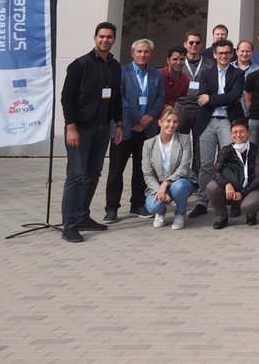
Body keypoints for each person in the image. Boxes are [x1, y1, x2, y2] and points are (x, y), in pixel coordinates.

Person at [60, 22, 123, 242]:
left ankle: (82, 216)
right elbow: (67, 97)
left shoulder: (115, 67)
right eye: (102, 37)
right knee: (76, 176)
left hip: (102, 127)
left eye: (109, 37)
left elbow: (116, 99)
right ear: (95, 38)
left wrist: (119, 124)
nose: (105, 40)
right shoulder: (80, 65)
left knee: (93, 174)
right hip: (80, 128)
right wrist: (71, 126)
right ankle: (68, 224)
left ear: (114, 39)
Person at [104, 38, 164, 223]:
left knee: (141, 169)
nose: (142, 55)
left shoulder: (156, 75)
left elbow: (160, 99)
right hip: (125, 128)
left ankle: (137, 204)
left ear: (150, 54)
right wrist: (139, 117)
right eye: (139, 52)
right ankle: (112, 208)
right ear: (132, 54)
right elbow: (120, 99)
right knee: (116, 170)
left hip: (147, 130)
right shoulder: (122, 73)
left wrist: (148, 119)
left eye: (146, 52)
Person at [190, 40, 244, 218]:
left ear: (232, 54)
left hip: (228, 123)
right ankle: (201, 202)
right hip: (208, 122)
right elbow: (201, 97)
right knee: (205, 165)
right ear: (214, 55)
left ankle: (234, 200)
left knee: (232, 163)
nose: (223, 56)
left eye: (227, 53)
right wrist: (223, 98)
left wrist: (211, 99)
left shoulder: (238, 74)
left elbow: (234, 96)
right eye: (220, 53)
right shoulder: (206, 74)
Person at [140, 106, 193, 230]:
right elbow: (148, 173)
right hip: (157, 185)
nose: (171, 125)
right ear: (160, 122)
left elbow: (184, 168)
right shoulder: (148, 144)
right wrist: (159, 189)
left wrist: (166, 183)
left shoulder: (184, 140)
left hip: (179, 181)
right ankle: (160, 212)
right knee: (152, 206)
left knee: (179, 187)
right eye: (168, 121)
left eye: (175, 121)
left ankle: (180, 214)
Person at [206, 117, 259, 228]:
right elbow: (215, 171)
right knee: (211, 187)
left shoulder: (256, 150)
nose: (238, 135)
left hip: (251, 188)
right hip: (231, 188)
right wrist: (226, 184)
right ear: (231, 134)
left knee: (250, 204)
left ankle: (251, 215)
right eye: (235, 132)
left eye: (242, 131)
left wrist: (242, 193)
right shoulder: (226, 150)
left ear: (248, 133)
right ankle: (221, 217)